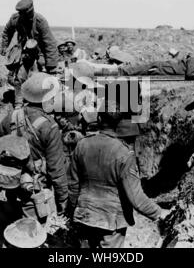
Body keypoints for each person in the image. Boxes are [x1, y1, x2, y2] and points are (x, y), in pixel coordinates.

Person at [67, 101, 168, 248]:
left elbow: (73, 185)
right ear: (120, 123)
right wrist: (158, 213)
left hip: (85, 216)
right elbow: (136, 198)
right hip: (111, 222)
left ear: (99, 119)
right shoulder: (124, 154)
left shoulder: (81, 145)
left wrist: (74, 209)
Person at [0, 72, 68, 220]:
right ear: (47, 100)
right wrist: (62, 198)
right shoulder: (50, 127)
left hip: (11, 180)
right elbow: (56, 169)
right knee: (32, 228)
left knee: (12, 218)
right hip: (34, 187)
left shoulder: (12, 116)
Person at [0, 0, 60, 106]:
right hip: (25, 51)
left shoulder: (40, 21)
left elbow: (50, 43)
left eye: (26, 14)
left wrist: (51, 67)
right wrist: (4, 47)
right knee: (19, 77)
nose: (24, 16)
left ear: (31, 11)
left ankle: (46, 102)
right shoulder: (15, 19)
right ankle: (19, 103)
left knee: (44, 78)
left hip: (40, 51)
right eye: (21, 14)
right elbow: (6, 32)